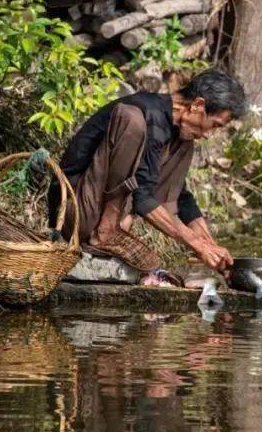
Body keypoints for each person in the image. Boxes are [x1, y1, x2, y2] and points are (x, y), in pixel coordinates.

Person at [53, 69, 245, 278]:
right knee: (131, 119)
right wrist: (195, 244)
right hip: (73, 208)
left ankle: (116, 228)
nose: (209, 134)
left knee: (185, 145)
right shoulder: (146, 113)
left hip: (102, 209)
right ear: (198, 105)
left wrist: (211, 248)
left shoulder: (174, 129)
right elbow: (142, 198)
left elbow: (179, 195)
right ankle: (105, 231)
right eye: (214, 125)